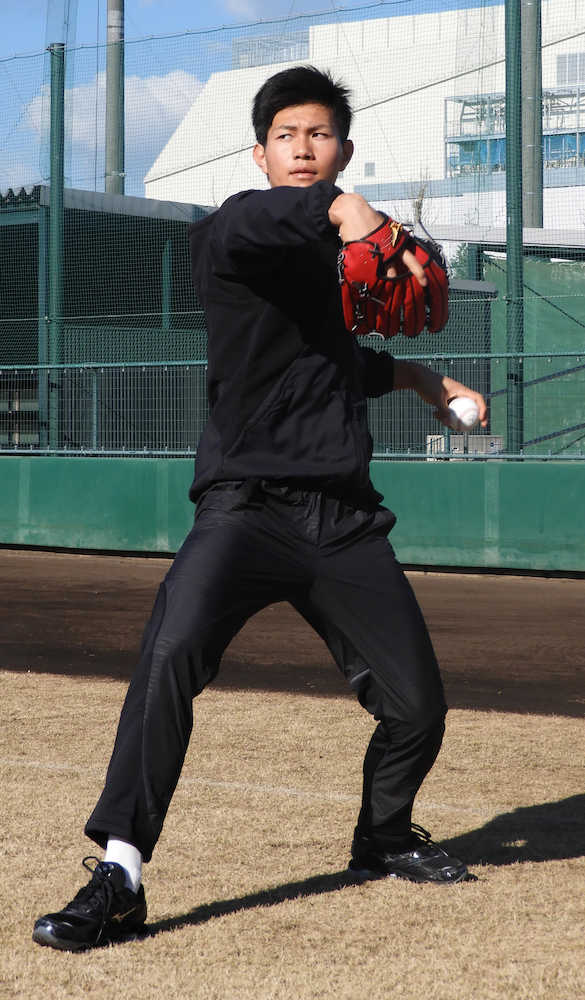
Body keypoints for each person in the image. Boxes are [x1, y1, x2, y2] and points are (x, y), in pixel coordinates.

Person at [33, 65, 487, 952]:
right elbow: (285, 220)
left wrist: (422, 379)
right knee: (168, 657)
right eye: (287, 136)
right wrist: (354, 213)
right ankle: (119, 874)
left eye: (319, 134)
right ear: (260, 153)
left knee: (417, 707)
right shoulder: (231, 230)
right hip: (245, 510)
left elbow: (334, 363)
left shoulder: (333, 265)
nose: (303, 148)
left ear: (342, 147)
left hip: (342, 520)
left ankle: (383, 835)